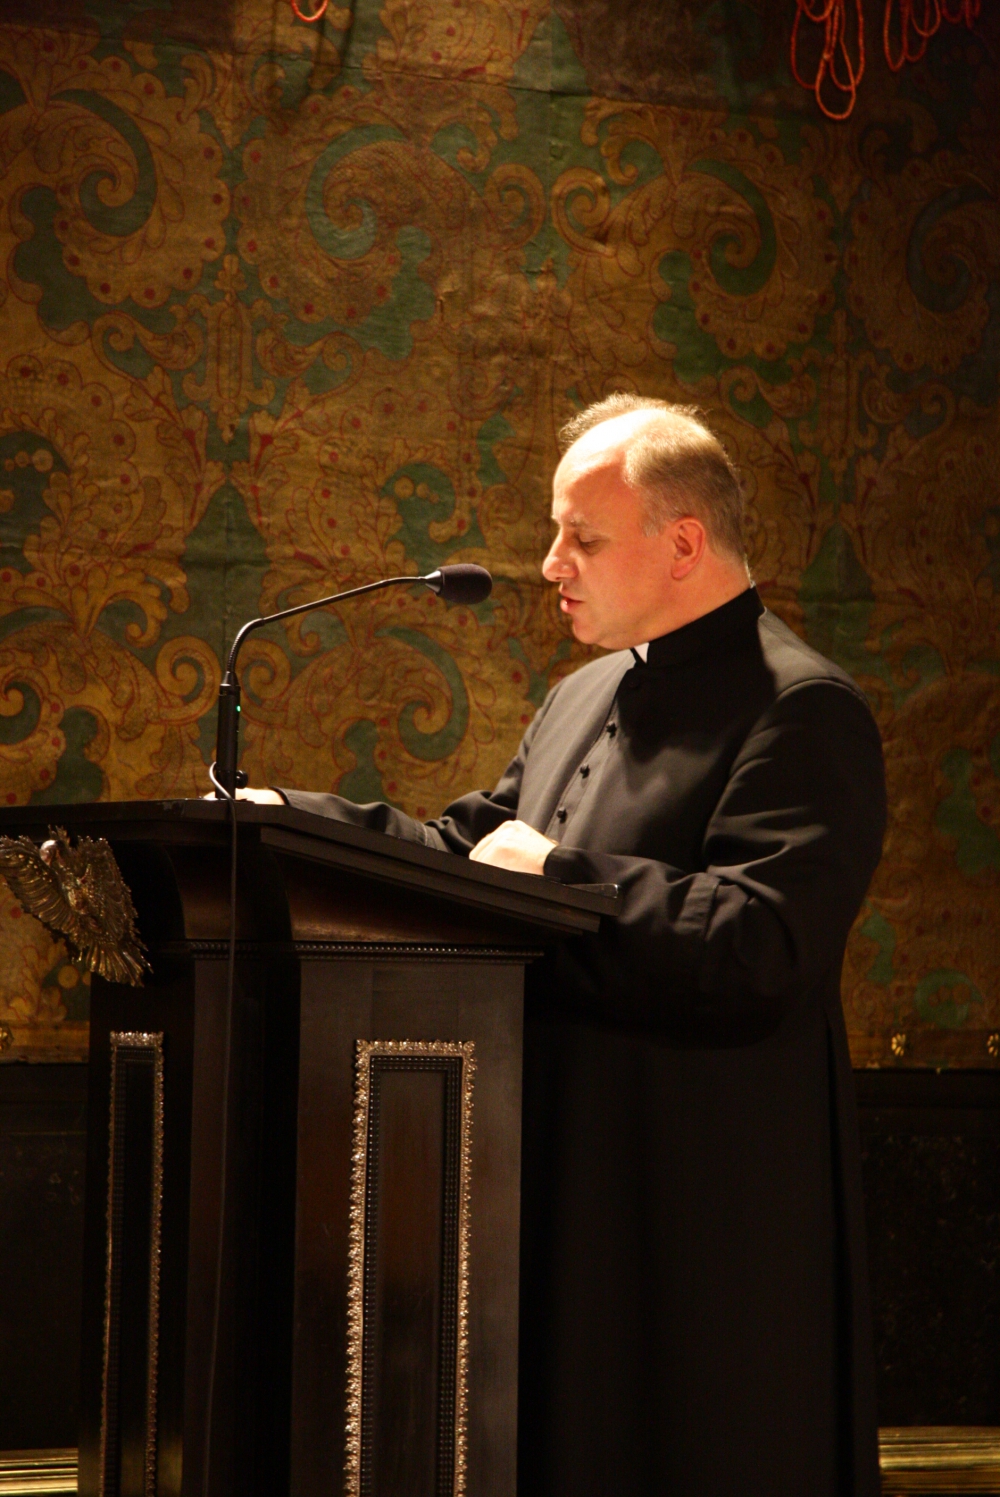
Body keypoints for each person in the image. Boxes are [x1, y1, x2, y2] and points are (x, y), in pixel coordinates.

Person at [236, 395, 886, 1496]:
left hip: (694, 1215)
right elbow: (465, 854)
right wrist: (289, 819)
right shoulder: (582, 693)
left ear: (683, 543)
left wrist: (562, 876)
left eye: (581, 537)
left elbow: (762, 946)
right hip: (556, 1187)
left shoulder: (804, 707)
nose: (550, 565)